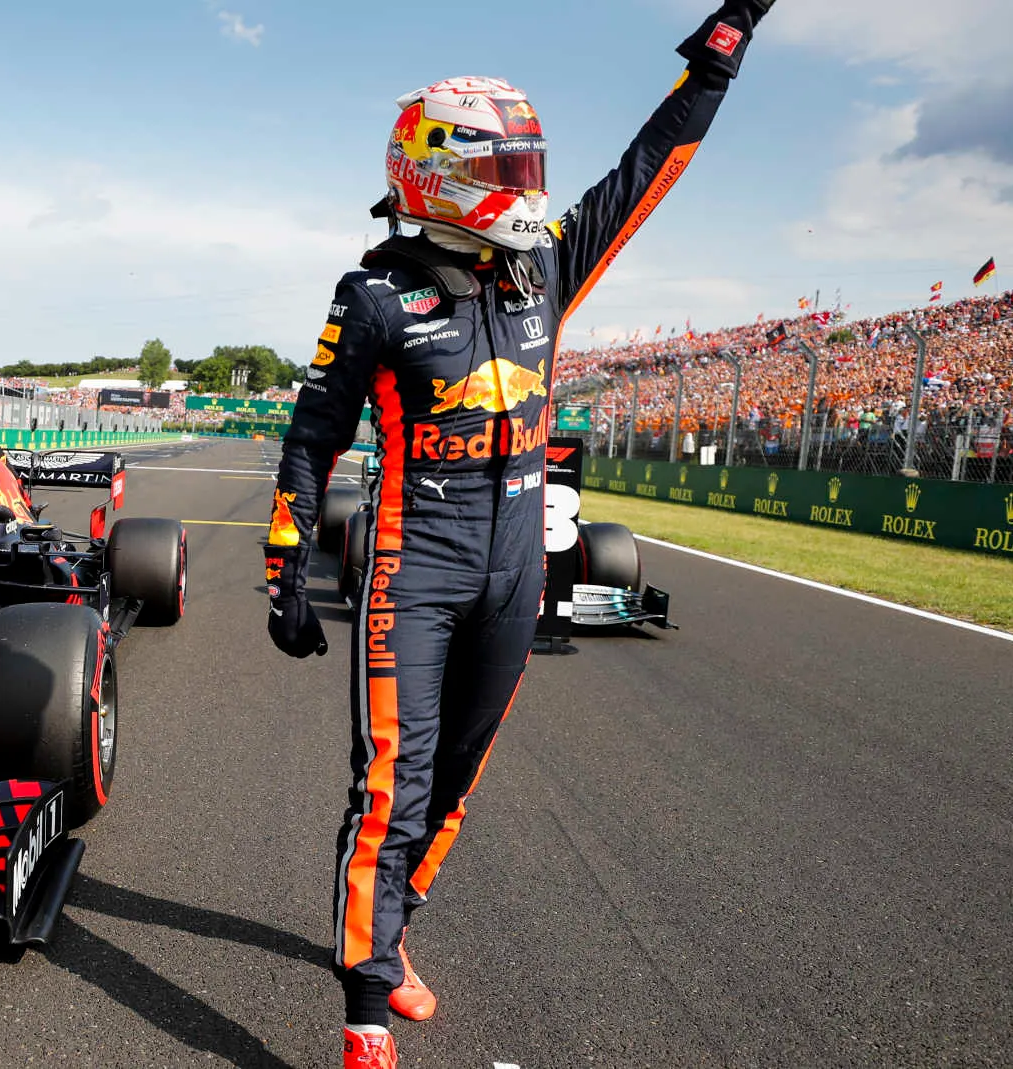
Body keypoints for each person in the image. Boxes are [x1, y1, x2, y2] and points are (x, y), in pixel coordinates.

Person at [259, 5, 774, 1065]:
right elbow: (312, 434)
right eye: (511, 160)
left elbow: (647, 169)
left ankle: (391, 937)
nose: (532, 181)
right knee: (389, 786)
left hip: (514, 571)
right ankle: (360, 1006)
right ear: (438, 172)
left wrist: (723, 48)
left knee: (459, 775)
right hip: (413, 567)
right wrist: (285, 568)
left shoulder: (542, 271)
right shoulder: (371, 297)